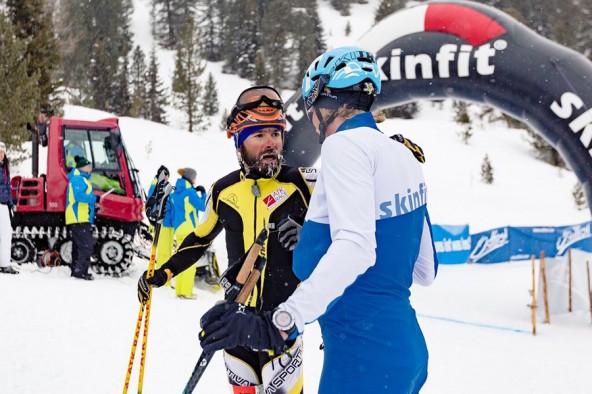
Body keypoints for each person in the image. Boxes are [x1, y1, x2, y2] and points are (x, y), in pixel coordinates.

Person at [199, 47, 438, 394]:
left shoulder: (343, 147)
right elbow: (425, 271)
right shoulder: (402, 154)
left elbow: (356, 247)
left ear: (322, 100)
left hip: (360, 360)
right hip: (404, 354)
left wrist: (280, 324)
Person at [137, 86, 315, 393]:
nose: (270, 143)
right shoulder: (224, 190)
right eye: (259, 136)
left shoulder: (303, 182)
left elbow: (351, 216)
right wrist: (163, 272)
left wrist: (310, 235)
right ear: (239, 140)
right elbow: (199, 239)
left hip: (282, 325)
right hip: (237, 320)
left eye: (275, 133)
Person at [169, 167, 207, 299]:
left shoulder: (176, 193)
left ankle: (180, 291)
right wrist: (203, 193)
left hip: (178, 229)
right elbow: (202, 206)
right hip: (189, 229)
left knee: (181, 260)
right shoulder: (190, 192)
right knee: (190, 261)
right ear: (191, 178)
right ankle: (186, 292)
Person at [66, 155, 98, 280]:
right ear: (83, 167)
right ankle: (81, 271)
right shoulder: (79, 179)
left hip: (80, 217)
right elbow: (79, 197)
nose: (91, 168)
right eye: (89, 166)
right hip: (78, 217)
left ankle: (76, 270)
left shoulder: (80, 178)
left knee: (78, 246)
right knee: (86, 246)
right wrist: (94, 199)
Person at [0, 141, 18, 275]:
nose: (0, 154)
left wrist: (11, 204)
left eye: (2, 152)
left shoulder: (5, 167)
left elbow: (7, 187)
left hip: (4, 204)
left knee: (6, 234)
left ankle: (5, 263)